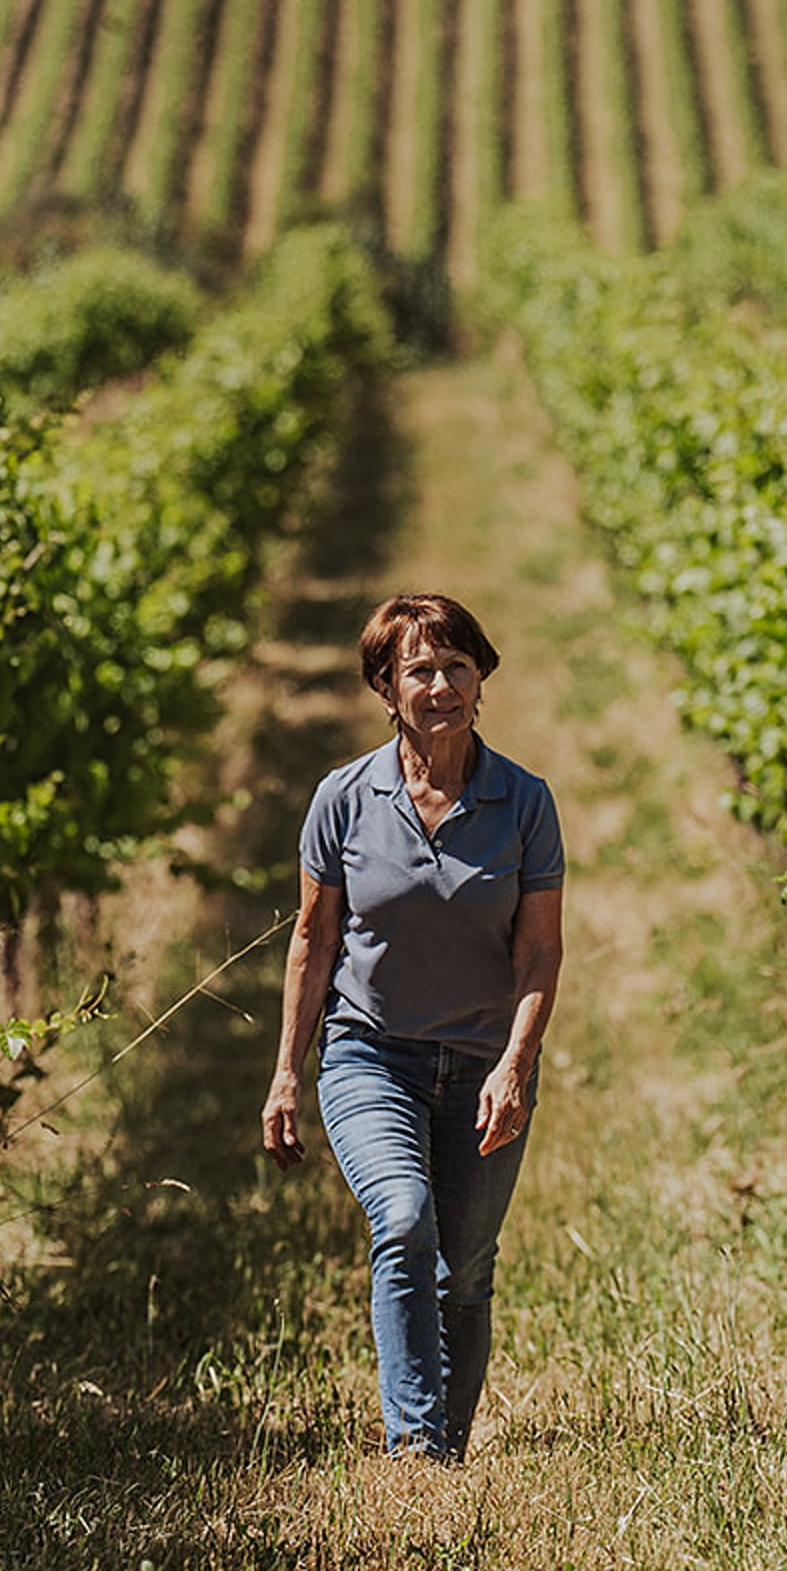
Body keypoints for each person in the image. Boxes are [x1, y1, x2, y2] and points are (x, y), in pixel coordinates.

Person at [262, 592, 565, 1462]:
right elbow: (314, 942)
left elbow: (539, 953)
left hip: (483, 1061)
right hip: (371, 1052)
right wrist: (287, 1071)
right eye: (419, 671)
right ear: (386, 689)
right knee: (401, 1218)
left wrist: (515, 1063)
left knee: (464, 1269)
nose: (441, 686)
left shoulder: (525, 803)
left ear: (482, 678)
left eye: (457, 667)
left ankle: (448, 1446)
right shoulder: (343, 799)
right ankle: (416, 1445)